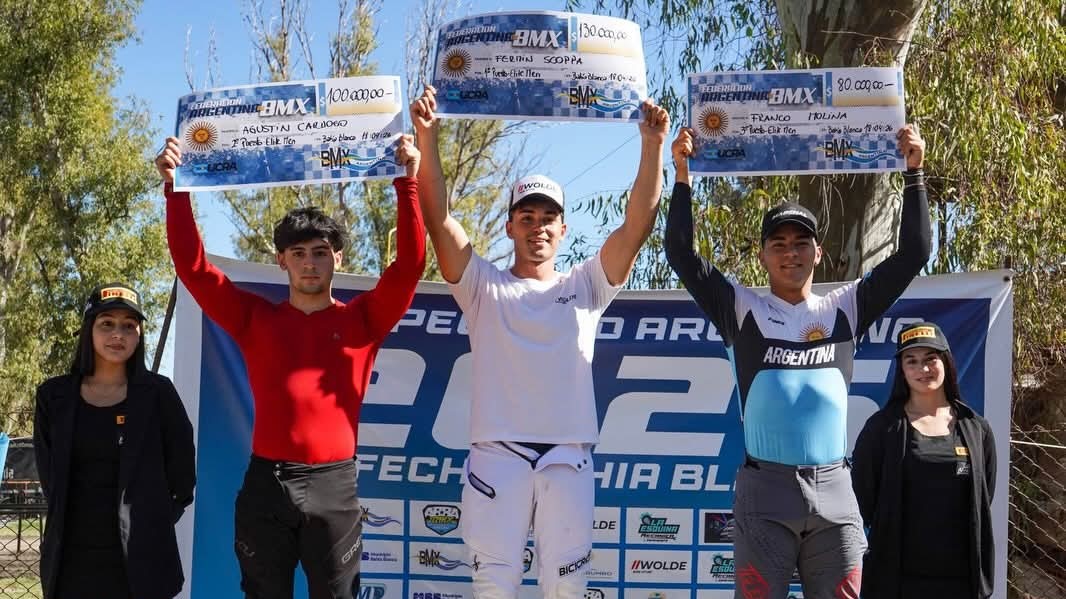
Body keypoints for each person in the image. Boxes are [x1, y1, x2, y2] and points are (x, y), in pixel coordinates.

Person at [410, 85, 668, 599]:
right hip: (496, 460)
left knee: (567, 592)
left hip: (567, 460)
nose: (538, 227)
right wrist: (427, 136)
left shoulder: (586, 285)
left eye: (548, 218)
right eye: (526, 217)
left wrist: (653, 143)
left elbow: (636, 225)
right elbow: (438, 220)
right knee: (493, 588)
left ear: (564, 228)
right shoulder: (482, 286)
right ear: (508, 227)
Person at [664, 125, 931, 599]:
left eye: (801, 242)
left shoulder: (845, 307)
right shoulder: (739, 308)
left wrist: (914, 172)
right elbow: (681, 253)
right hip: (764, 492)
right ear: (764, 256)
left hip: (834, 490)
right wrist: (682, 173)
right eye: (779, 244)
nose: (791, 252)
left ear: (818, 252)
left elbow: (914, 252)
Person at [153, 134, 426, 599]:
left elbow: (409, 267)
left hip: (335, 487)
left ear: (337, 257)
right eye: (298, 254)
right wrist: (175, 189)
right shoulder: (255, 318)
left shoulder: (364, 320)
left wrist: (408, 183)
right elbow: (194, 269)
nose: (310, 264)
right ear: (281, 261)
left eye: (320, 252)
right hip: (267, 485)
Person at [34, 283, 196, 599]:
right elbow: (49, 475)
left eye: (129, 325)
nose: (118, 334)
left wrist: (152, 521)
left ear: (139, 335)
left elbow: (183, 476)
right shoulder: (53, 397)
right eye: (106, 323)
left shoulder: (159, 394)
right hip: (71, 560)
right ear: (89, 330)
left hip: (143, 562)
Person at [852, 322, 997, 598]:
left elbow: (983, 495)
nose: (923, 369)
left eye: (931, 359)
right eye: (912, 361)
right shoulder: (881, 429)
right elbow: (864, 500)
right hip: (898, 582)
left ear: (946, 362)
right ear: (902, 371)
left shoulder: (976, 428)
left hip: (961, 581)